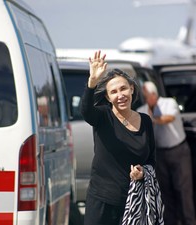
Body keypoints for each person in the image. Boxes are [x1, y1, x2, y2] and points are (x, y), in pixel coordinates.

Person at [80, 50, 157, 225]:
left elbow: (152, 160)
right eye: (113, 92)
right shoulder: (102, 116)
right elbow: (85, 111)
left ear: (132, 89)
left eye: (123, 88)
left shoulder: (145, 120)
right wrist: (92, 82)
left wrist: (143, 172)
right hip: (102, 199)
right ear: (108, 97)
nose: (120, 95)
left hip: (133, 200)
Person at [137, 81, 195, 225]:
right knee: (165, 191)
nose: (146, 100)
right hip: (160, 153)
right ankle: (170, 221)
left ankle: (188, 221)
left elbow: (170, 118)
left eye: (147, 96)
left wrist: (153, 120)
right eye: (144, 97)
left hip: (178, 150)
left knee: (183, 190)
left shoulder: (169, 103)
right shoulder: (143, 109)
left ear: (153, 94)